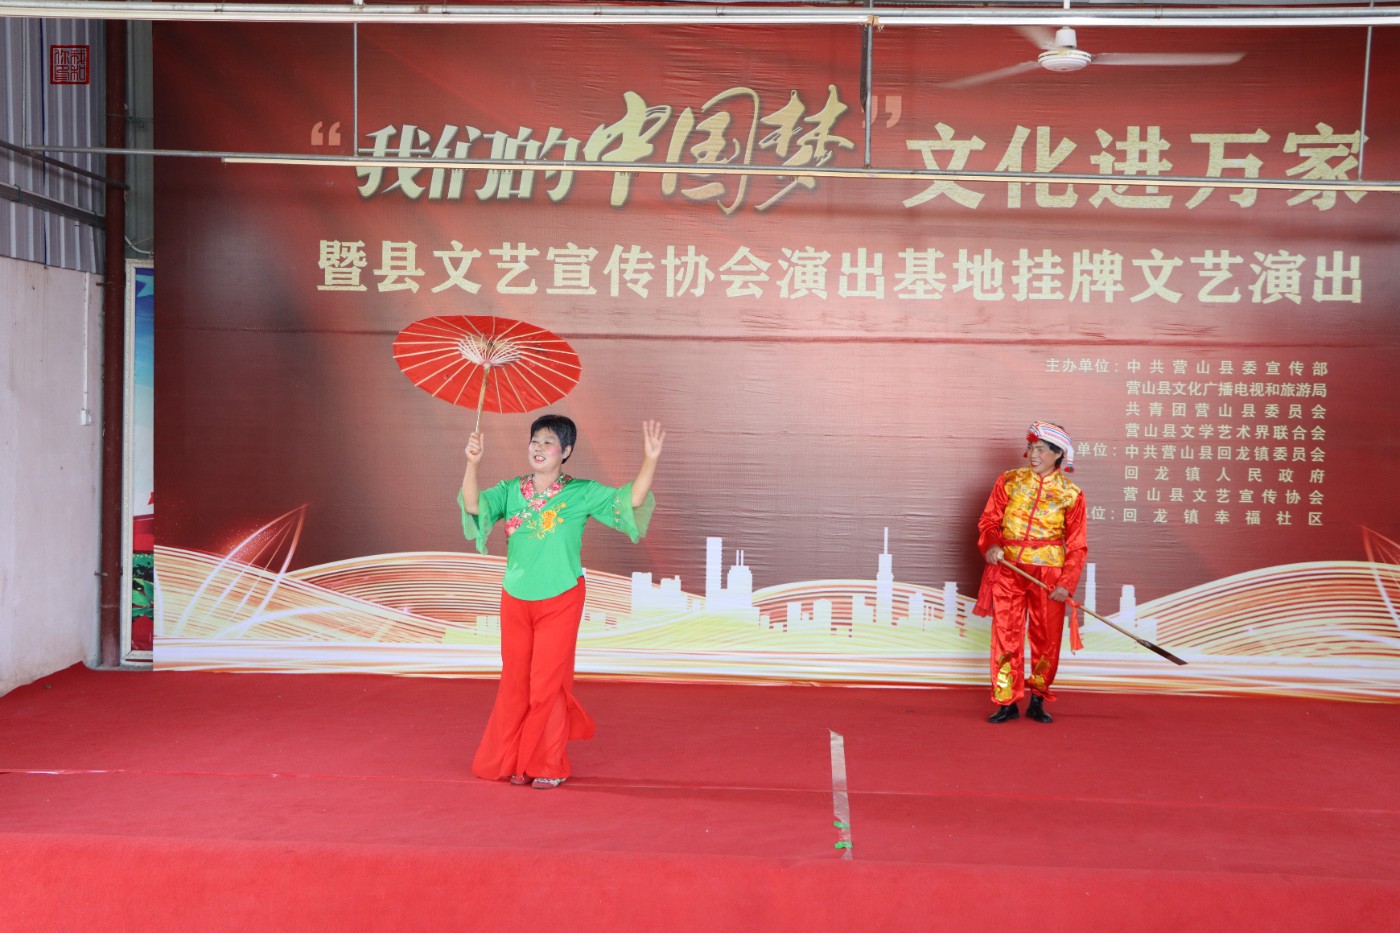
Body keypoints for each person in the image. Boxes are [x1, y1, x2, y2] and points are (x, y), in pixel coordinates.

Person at [460, 414, 664, 788]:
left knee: (547, 684)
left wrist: (650, 459)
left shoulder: (580, 492)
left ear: (566, 451)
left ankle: (547, 765)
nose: (539, 449)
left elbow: (630, 500)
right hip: (515, 597)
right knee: (515, 682)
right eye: (535, 441)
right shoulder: (510, 490)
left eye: (549, 442)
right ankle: (514, 761)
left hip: (561, 597)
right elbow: (473, 506)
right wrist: (472, 463)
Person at [973, 421, 1087, 725]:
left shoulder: (1071, 494)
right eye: (1030, 448)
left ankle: (1038, 698)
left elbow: (1077, 545)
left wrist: (1066, 583)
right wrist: (992, 545)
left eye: (1040, 449)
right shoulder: (1009, 481)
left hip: (1048, 574)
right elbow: (989, 522)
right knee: (1005, 634)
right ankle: (1007, 700)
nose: (1032, 455)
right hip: (1008, 569)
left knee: (1046, 637)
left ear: (1058, 454)